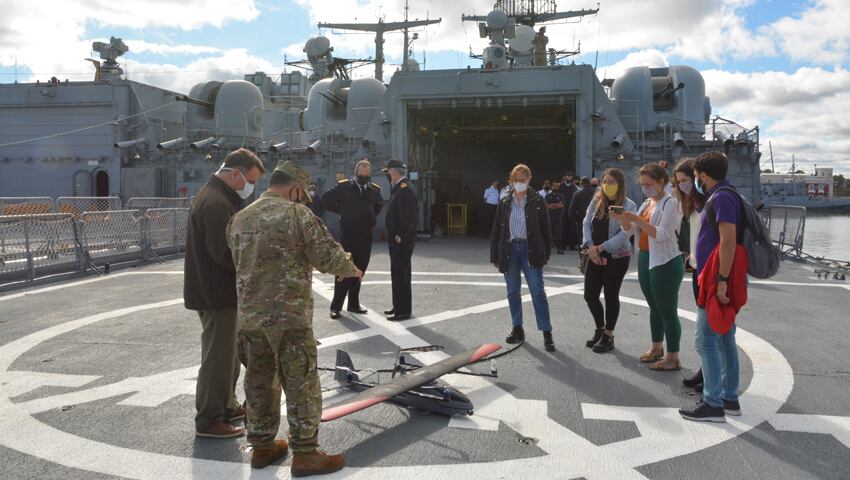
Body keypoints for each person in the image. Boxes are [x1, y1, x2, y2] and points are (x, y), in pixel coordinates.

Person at [227, 160, 363, 474]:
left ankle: (261, 446)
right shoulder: (297, 214)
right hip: (289, 319)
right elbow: (327, 255)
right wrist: (351, 268)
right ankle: (305, 454)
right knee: (301, 383)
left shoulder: (239, 218)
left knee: (259, 382)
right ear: (295, 188)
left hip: (249, 319)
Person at [184, 148, 264, 439]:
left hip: (219, 292)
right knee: (218, 358)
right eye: (249, 180)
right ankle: (209, 419)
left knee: (229, 356)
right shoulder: (217, 204)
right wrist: (257, 266)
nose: (250, 187)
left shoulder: (216, 197)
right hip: (216, 293)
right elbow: (225, 253)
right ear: (235, 174)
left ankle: (226, 407)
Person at [679, 151, 745, 422]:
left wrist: (721, 281)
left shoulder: (722, 198)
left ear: (702, 175)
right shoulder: (723, 196)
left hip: (716, 278)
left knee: (705, 340)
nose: (695, 180)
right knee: (725, 338)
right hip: (715, 275)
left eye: (695, 176)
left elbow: (728, 241)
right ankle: (729, 398)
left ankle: (713, 403)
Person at [612, 163, 684, 370]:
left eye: (649, 184)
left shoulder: (671, 203)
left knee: (667, 310)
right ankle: (656, 347)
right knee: (654, 306)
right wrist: (623, 220)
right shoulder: (647, 203)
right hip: (646, 258)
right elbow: (631, 231)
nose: (645, 188)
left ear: (662, 182)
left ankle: (673, 356)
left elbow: (662, 234)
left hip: (665, 261)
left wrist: (635, 219)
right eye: (643, 184)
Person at [490, 163, 555, 352]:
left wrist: (546, 254)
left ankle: (546, 332)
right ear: (511, 180)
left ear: (529, 179)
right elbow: (496, 229)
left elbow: (546, 229)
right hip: (510, 248)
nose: (519, 183)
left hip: (530, 249)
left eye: (522, 180)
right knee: (512, 291)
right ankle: (517, 327)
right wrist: (495, 254)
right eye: (516, 180)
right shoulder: (504, 201)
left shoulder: (537, 200)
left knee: (537, 292)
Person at [582, 168, 637, 353]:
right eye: (605, 181)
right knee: (590, 294)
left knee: (611, 295)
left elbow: (626, 234)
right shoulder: (597, 201)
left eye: (612, 182)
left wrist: (601, 248)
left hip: (617, 256)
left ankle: (609, 335)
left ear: (620, 184)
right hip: (594, 253)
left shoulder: (629, 206)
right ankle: (600, 327)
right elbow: (586, 223)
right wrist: (591, 248)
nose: (607, 185)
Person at [321, 159, 384, 319]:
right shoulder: (344, 187)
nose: (363, 178)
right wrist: (342, 211)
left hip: (365, 235)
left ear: (370, 175)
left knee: (360, 269)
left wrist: (369, 217)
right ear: (355, 173)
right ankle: (336, 307)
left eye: (366, 176)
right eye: (360, 175)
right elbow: (325, 199)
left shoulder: (374, 190)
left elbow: (378, 206)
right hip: (348, 235)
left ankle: (354, 304)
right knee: (343, 269)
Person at [673, 158, 707, 392]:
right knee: (704, 327)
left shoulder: (709, 203)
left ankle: (713, 378)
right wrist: (692, 254)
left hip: (709, 270)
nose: (681, 185)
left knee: (711, 330)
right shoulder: (694, 203)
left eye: (685, 180)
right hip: (697, 267)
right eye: (679, 182)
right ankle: (706, 372)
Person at [382, 159, 418, 321]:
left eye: (389, 172)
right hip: (397, 238)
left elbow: (408, 217)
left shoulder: (404, 189)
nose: (388, 175)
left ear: (395, 172)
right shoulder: (400, 188)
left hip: (401, 239)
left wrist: (400, 235)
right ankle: (398, 306)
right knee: (396, 273)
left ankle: (404, 311)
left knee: (402, 274)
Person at [568, 177, 596, 246]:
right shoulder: (598, 192)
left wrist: (576, 220)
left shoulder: (577, 194)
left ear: (581, 183)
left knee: (583, 243)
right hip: (596, 221)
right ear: (590, 183)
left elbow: (571, 211)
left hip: (582, 221)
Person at [545, 182, 566, 254]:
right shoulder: (547, 196)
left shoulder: (561, 195)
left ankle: (559, 248)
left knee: (558, 233)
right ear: (551, 188)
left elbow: (562, 205)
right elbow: (546, 206)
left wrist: (552, 205)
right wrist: (556, 205)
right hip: (549, 217)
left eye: (556, 187)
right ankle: (548, 249)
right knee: (549, 233)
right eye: (554, 187)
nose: (555, 188)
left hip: (558, 217)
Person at [559, 172, 579, 250]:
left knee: (572, 227)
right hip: (563, 210)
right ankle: (564, 244)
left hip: (572, 210)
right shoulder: (560, 186)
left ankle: (572, 244)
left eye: (570, 176)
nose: (569, 178)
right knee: (563, 227)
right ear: (565, 177)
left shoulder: (574, 187)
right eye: (568, 176)